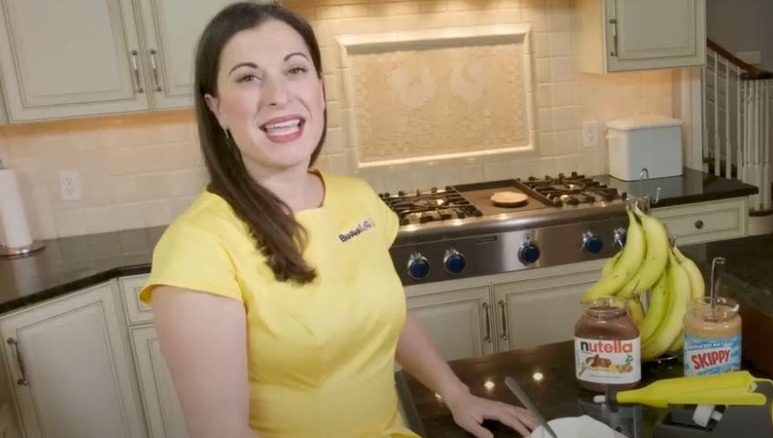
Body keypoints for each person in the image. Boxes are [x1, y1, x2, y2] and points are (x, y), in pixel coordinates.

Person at [139, 2, 541, 437]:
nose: (278, 95)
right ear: (216, 108)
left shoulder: (357, 200)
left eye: (294, 70)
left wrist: (457, 393)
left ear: (319, 86)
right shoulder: (199, 248)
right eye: (249, 77)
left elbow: (388, 314)